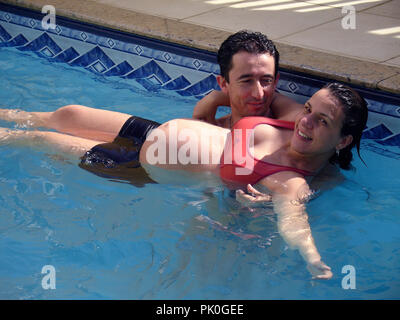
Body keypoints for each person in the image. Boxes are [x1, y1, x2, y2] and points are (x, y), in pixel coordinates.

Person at [0, 82, 368, 279]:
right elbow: (261, 90)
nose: (307, 121)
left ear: (343, 140)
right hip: (151, 131)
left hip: (139, 165)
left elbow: (294, 221)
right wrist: (217, 94)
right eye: (309, 110)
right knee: (68, 113)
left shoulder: (293, 181)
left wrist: (312, 258)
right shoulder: (292, 119)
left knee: (42, 139)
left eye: (323, 121)